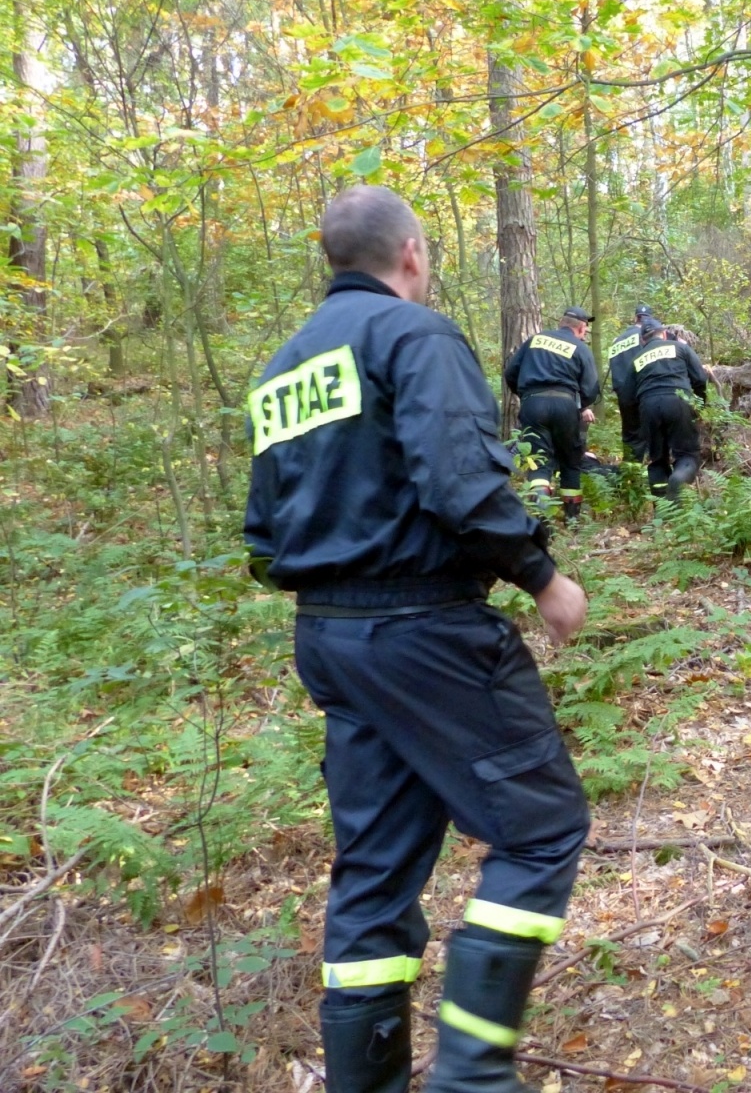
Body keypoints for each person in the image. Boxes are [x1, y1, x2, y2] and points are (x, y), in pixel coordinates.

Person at [243, 186, 591, 1093]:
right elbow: (459, 479)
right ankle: (472, 1077)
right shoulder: (415, 337)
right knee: (543, 828)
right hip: (423, 629)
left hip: (328, 638)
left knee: (375, 871)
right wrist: (542, 578)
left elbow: (261, 536)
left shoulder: (282, 369)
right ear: (410, 253)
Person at [504, 307, 601, 522]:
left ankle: (542, 517)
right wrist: (579, 405)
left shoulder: (535, 340)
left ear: (561, 322)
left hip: (532, 404)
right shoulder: (580, 347)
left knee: (539, 461)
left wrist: (527, 395)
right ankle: (572, 520)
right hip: (565, 405)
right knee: (570, 460)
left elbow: (511, 373)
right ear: (581, 327)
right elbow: (591, 388)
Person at [617, 315, 707, 499]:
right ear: (664, 335)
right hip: (679, 401)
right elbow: (699, 379)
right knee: (688, 454)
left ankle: (662, 509)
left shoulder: (636, 360)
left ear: (643, 340)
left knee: (657, 460)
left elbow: (626, 398)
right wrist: (699, 405)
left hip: (648, 407)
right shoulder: (681, 348)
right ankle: (678, 480)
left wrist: (635, 426)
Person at [605, 304, 653, 461]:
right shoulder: (647, 336)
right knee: (651, 432)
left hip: (623, 394)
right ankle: (650, 472)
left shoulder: (617, 340)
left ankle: (630, 474)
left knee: (630, 434)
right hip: (643, 390)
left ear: (635, 318)